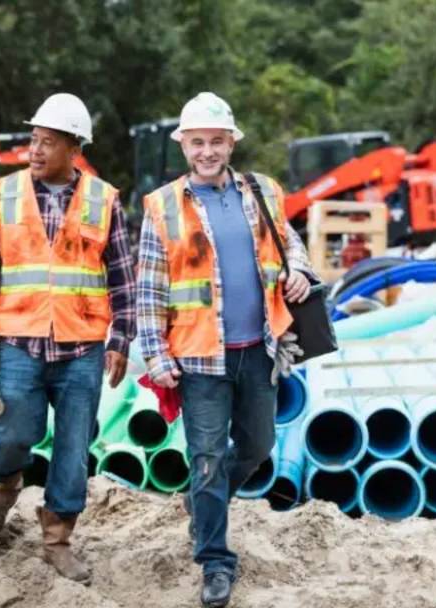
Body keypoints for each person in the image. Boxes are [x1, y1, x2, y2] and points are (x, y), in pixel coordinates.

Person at [136, 92, 316, 608]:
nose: (208, 151)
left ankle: (203, 504)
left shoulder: (262, 191)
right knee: (208, 459)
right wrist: (156, 354)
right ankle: (215, 560)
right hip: (196, 356)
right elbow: (150, 288)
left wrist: (299, 270)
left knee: (257, 447)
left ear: (231, 142)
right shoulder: (163, 206)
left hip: (257, 348)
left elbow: (288, 241)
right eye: (198, 142)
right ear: (184, 146)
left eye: (217, 141)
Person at [0, 93, 136, 584]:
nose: (36, 150)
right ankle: (2, 496)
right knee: (15, 431)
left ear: (73, 149)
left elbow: (123, 277)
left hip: (82, 346)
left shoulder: (104, 201)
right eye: (34, 140)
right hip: (19, 340)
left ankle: (57, 538)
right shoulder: (5, 193)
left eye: (48, 142)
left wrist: (121, 340)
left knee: (74, 448)